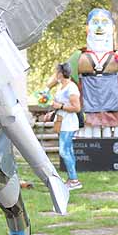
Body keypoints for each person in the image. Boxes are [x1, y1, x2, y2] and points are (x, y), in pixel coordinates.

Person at [47, 63, 83, 191]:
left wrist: (60, 107)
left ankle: (74, 180)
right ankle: (72, 178)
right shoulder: (61, 87)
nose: (55, 75)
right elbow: (59, 104)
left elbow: (77, 108)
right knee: (69, 151)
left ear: (61, 74)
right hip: (61, 122)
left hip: (69, 124)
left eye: (56, 72)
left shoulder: (71, 88)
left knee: (64, 151)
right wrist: (52, 113)